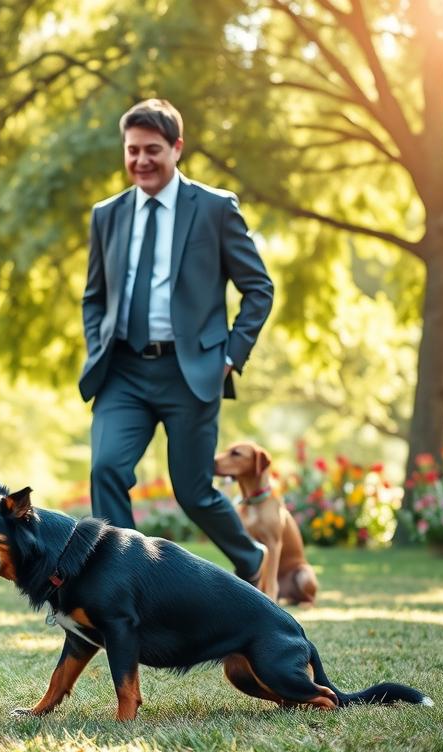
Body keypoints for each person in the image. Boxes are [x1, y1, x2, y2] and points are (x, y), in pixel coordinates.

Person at [79, 98, 274, 584]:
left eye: (153, 149)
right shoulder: (107, 214)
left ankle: (250, 560)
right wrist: (97, 344)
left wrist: (230, 356)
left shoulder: (214, 208)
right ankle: (124, 581)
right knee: (107, 467)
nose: (141, 160)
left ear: (177, 148)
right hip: (123, 370)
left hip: (191, 371)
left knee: (193, 490)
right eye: (132, 151)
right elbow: (94, 296)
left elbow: (259, 288)